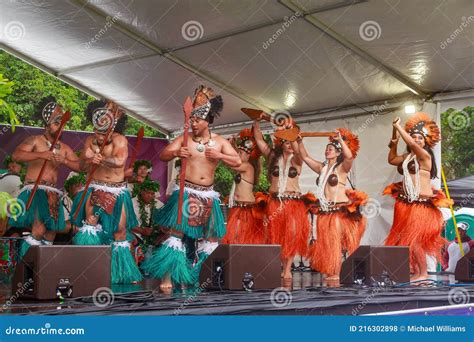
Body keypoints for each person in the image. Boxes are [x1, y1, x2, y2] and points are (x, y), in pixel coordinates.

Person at [141, 85, 241, 289]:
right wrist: (178, 153)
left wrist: (220, 156)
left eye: (197, 121)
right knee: (176, 234)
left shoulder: (220, 142)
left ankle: (201, 277)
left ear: (207, 121)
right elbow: (163, 155)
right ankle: (167, 278)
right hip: (186, 193)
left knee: (211, 237)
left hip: (208, 197)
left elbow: (238, 161)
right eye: (191, 120)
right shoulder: (184, 139)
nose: (193, 124)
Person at [71, 100, 142, 284]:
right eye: (97, 132)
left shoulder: (120, 140)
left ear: (111, 128)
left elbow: (119, 161)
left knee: (119, 231)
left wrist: (100, 159)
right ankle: (88, 270)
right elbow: (81, 165)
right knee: (90, 226)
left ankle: (121, 275)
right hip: (95, 189)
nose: (100, 136)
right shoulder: (89, 140)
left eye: (103, 132)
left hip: (117, 192)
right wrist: (88, 159)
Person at [8, 97, 80, 257]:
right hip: (36, 190)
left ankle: (40, 271)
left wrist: (65, 160)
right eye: (56, 123)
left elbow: (81, 166)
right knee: (39, 230)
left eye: (62, 125)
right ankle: (24, 268)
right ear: (46, 125)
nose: (60, 128)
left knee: (51, 233)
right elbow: (17, 155)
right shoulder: (35, 140)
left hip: (52, 194)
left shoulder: (65, 148)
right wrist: (42, 154)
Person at [385, 113, 451, 282]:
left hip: (421, 206)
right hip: (407, 204)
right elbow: (392, 159)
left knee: (415, 241)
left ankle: (423, 273)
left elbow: (412, 144)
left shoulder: (425, 156)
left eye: (420, 137)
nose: (416, 139)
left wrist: (400, 127)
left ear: (426, 140)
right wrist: (395, 134)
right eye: (414, 136)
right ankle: (418, 272)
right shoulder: (408, 157)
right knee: (408, 242)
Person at [298, 128, 367, 281]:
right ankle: (332, 271)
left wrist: (340, 139)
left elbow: (349, 156)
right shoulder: (322, 168)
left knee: (335, 242)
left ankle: (336, 273)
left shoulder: (342, 168)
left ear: (338, 152)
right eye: (326, 149)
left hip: (339, 211)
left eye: (331, 149)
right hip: (325, 212)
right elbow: (305, 156)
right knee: (327, 243)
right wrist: (299, 141)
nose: (327, 150)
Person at [252, 116, 313, 280]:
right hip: (275, 202)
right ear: (281, 143)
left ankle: (287, 270)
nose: (290, 145)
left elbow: (298, 147)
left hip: (293, 203)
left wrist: (290, 130)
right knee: (274, 236)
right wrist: (256, 121)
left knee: (291, 235)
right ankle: (276, 266)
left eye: (291, 142)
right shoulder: (272, 157)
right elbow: (259, 140)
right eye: (286, 142)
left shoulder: (297, 160)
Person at [222, 128, 266, 244]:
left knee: (244, 238)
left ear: (248, 156)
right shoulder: (243, 163)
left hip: (246, 208)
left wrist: (220, 153)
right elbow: (237, 157)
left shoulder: (247, 167)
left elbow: (232, 164)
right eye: (238, 153)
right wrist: (232, 145)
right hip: (238, 207)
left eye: (240, 153)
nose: (237, 155)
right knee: (235, 237)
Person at [131, 178, 164, 265]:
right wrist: (142, 230)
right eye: (147, 193)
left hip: (153, 237)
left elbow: (164, 224)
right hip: (136, 235)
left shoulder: (159, 205)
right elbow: (125, 224)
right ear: (141, 191)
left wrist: (158, 231)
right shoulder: (131, 203)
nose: (150, 196)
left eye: (152, 193)